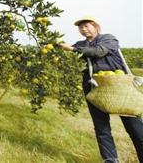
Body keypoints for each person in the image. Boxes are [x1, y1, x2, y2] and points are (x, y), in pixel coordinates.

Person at [61, 16, 143, 163]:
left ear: (96, 27)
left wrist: (73, 49)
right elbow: (68, 54)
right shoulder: (80, 44)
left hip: (119, 87)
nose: (83, 29)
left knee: (135, 128)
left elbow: (98, 51)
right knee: (101, 128)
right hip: (94, 88)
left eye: (87, 26)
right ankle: (110, 161)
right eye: (81, 27)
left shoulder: (109, 39)